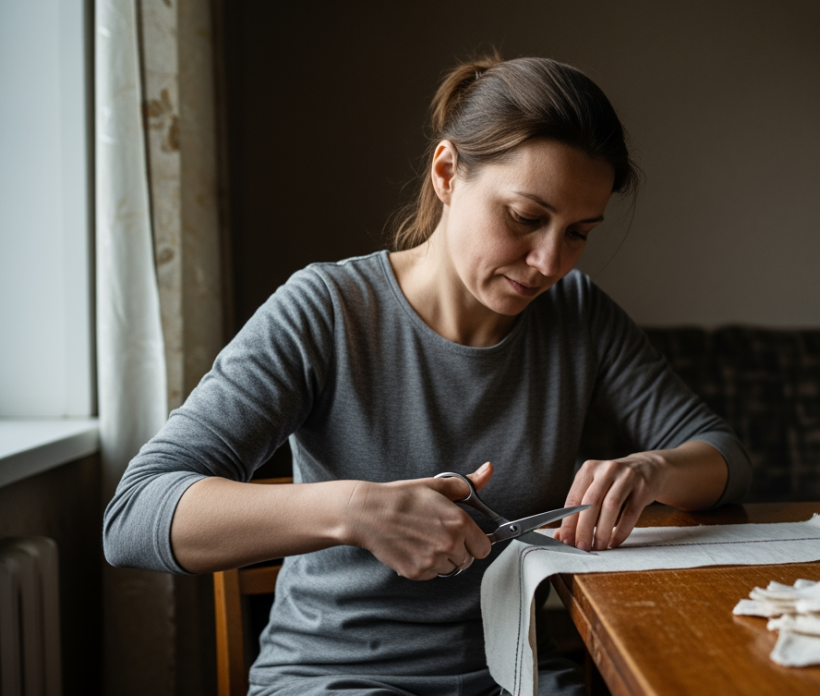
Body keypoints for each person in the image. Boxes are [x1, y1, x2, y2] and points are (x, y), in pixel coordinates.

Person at [102, 54, 752, 695]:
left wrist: (652, 471)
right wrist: (353, 510)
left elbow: (726, 459)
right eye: (525, 218)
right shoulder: (326, 309)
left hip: (517, 676)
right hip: (336, 679)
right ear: (447, 173)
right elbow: (133, 517)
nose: (550, 261)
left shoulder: (578, 315)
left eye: (579, 232)